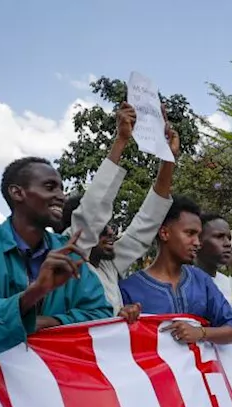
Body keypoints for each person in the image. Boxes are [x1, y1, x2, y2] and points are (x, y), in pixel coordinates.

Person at [0, 157, 117, 356]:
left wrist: (47, 323)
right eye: (50, 187)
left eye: (61, 188)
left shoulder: (67, 250)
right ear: (17, 193)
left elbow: (101, 316)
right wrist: (35, 293)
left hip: (61, 381)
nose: (61, 196)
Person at [61, 102, 177, 313]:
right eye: (101, 227)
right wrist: (121, 140)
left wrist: (168, 158)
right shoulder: (67, 262)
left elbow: (148, 222)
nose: (111, 232)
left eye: (110, 225)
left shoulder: (109, 264)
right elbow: (94, 207)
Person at [120, 196, 232, 345]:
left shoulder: (201, 280)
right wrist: (123, 317)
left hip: (203, 368)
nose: (197, 242)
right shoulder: (129, 288)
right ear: (164, 233)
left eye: (198, 235)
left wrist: (200, 333)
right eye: (190, 233)